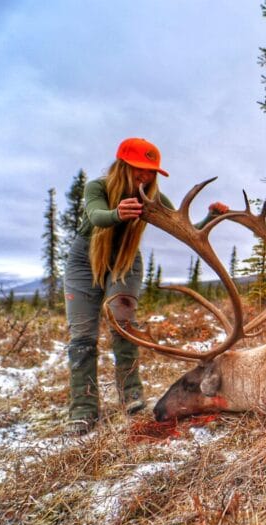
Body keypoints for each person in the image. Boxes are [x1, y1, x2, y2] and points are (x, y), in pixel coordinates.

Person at [63, 137, 228, 435]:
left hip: (126, 261)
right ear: (123, 166)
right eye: (140, 169)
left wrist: (211, 217)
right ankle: (83, 409)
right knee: (82, 337)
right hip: (83, 260)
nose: (146, 176)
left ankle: (132, 400)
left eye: (151, 171)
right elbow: (95, 215)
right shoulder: (97, 188)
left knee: (124, 326)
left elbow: (183, 229)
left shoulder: (152, 198)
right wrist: (116, 214)